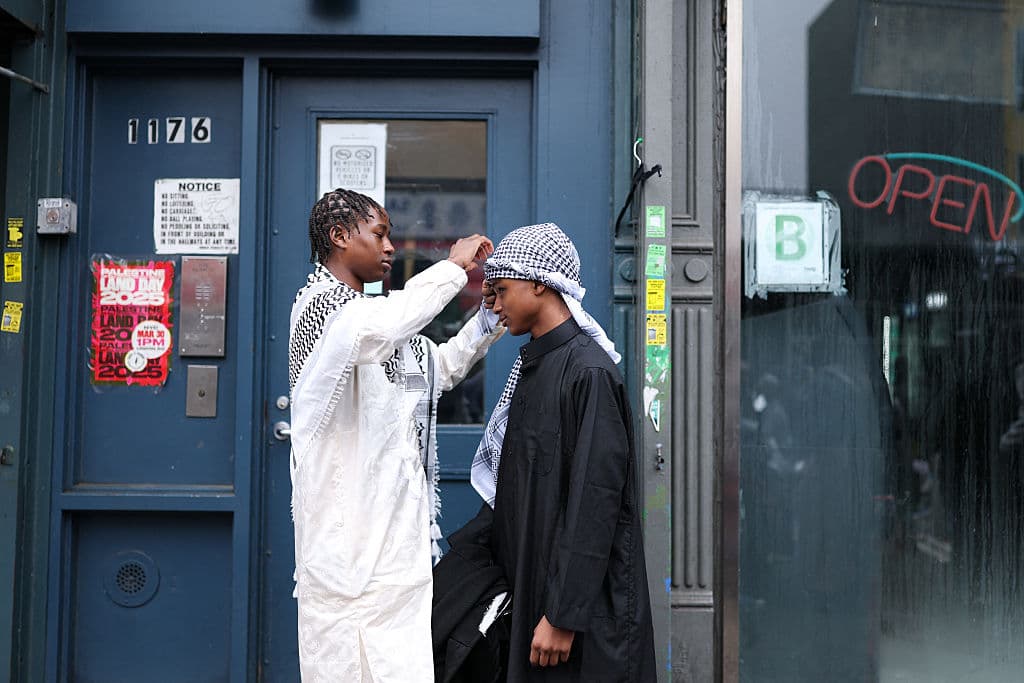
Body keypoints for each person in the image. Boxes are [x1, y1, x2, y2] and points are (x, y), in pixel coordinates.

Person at [287, 188, 503, 682]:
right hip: (346, 554)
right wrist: (454, 269)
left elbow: (440, 367)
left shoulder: (373, 320)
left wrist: (488, 317)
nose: (389, 247)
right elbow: (379, 327)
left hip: (397, 553)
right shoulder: (321, 311)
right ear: (340, 238)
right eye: (379, 234)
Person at [466, 222, 656, 681]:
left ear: (539, 284)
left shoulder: (588, 372)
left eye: (501, 290)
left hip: (576, 621)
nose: (493, 306)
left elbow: (596, 502)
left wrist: (562, 616)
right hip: (535, 597)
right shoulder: (537, 364)